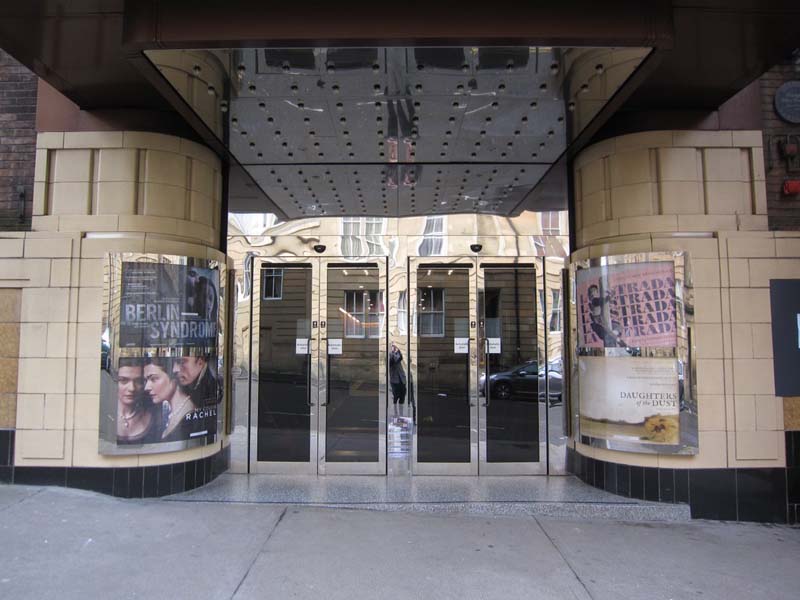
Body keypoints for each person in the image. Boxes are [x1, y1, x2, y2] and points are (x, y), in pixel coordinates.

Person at [143, 357, 199, 442]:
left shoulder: (189, 413)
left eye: (154, 379)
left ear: (174, 378)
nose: (146, 387)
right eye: (146, 380)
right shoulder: (170, 411)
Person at [116, 358, 162, 444]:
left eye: (138, 381)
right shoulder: (104, 413)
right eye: (123, 380)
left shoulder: (156, 415)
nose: (132, 388)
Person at [587, 284, 627, 348]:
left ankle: (615, 337)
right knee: (608, 331)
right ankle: (617, 339)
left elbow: (603, 301)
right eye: (591, 292)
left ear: (597, 292)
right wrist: (609, 296)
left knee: (616, 327)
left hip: (603, 321)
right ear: (589, 295)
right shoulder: (594, 301)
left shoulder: (597, 300)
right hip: (599, 323)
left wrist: (610, 296)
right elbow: (602, 301)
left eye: (594, 291)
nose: (593, 293)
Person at [389, 342, 407, 409]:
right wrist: (395, 351)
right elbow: (396, 359)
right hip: (394, 380)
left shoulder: (397, 354)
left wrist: (398, 350)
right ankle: (395, 411)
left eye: (395, 346)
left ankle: (401, 412)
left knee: (402, 396)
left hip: (402, 379)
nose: (394, 347)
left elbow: (400, 358)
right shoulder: (390, 355)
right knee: (396, 396)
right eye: (393, 346)